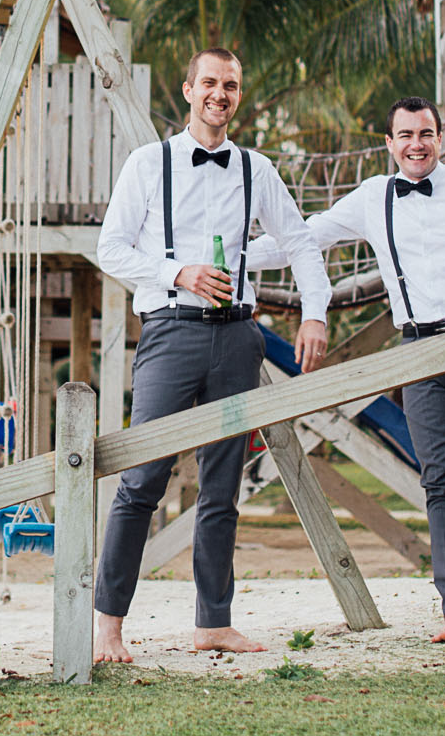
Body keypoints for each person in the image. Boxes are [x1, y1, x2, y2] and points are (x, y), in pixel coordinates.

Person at [244, 96, 445, 642]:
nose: (416, 145)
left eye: (425, 133)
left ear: (440, 137)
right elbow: (304, 238)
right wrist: (234, 257)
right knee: (441, 476)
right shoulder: (373, 197)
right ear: (389, 143)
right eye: (405, 135)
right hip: (419, 346)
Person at [92, 47, 332, 664]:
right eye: (209, 83)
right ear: (188, 90)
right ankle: (107, 627)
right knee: (142, 479)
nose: (219, 93)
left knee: (223, 484)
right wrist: (181, 273)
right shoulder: (149, 162)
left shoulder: (258, 169)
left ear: (237, 96)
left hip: (238, 338)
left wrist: (314, 314)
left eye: (230, 85)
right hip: (171, 332)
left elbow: (302, 242)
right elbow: (111, 248)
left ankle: (213, 623)